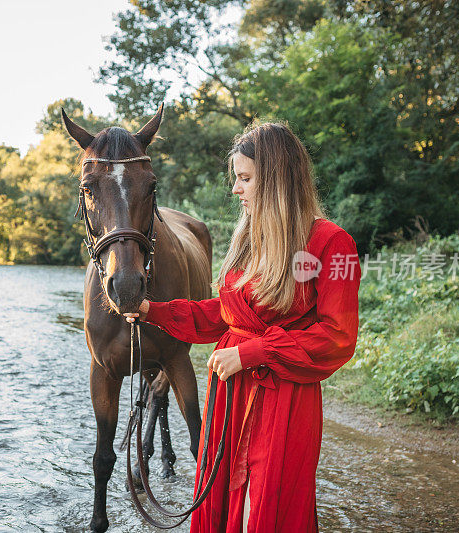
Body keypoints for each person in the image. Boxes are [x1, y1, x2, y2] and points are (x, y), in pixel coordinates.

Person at [123, 122, 361, 532]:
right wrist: (151, 310)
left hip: (283, 397)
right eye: (237, 178)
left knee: (263, 506)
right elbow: (224, 316)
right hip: (231, 395)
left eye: (246, 178)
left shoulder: (331, 243)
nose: (236, 189)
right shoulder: (249, 241)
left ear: (277, 180)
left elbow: (337, 337)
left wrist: (252, 353)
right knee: (224, 502)